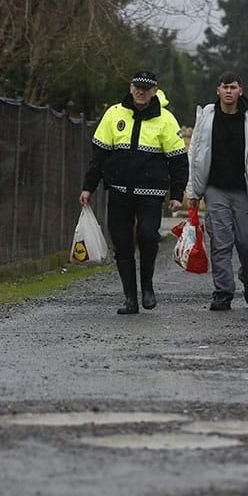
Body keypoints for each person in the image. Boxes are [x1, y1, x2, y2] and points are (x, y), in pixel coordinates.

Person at [80, 70, 188, 314]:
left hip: (151, 192)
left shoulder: (166, 119)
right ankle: (130, 298)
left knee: (148, 237)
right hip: (119, 191)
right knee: (122, 244)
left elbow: (178, 160)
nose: (141, 91)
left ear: (154, 91)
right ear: (130, 88)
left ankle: (147, 286)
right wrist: (88, 187)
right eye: (137, 87)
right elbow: (99, 156)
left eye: (146, 88)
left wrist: (176, 194)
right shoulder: (114, 114)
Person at [185, 71, 248, 311]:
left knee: (246, 242)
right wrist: (193, 192)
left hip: (246, 191)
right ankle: (223, 292)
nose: (229, 91)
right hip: (215, 189)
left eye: (233, 87)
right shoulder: (207, 117)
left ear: (241, 91)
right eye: (225, 87)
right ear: (218, 90)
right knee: (221, 242)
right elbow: (195, 154)